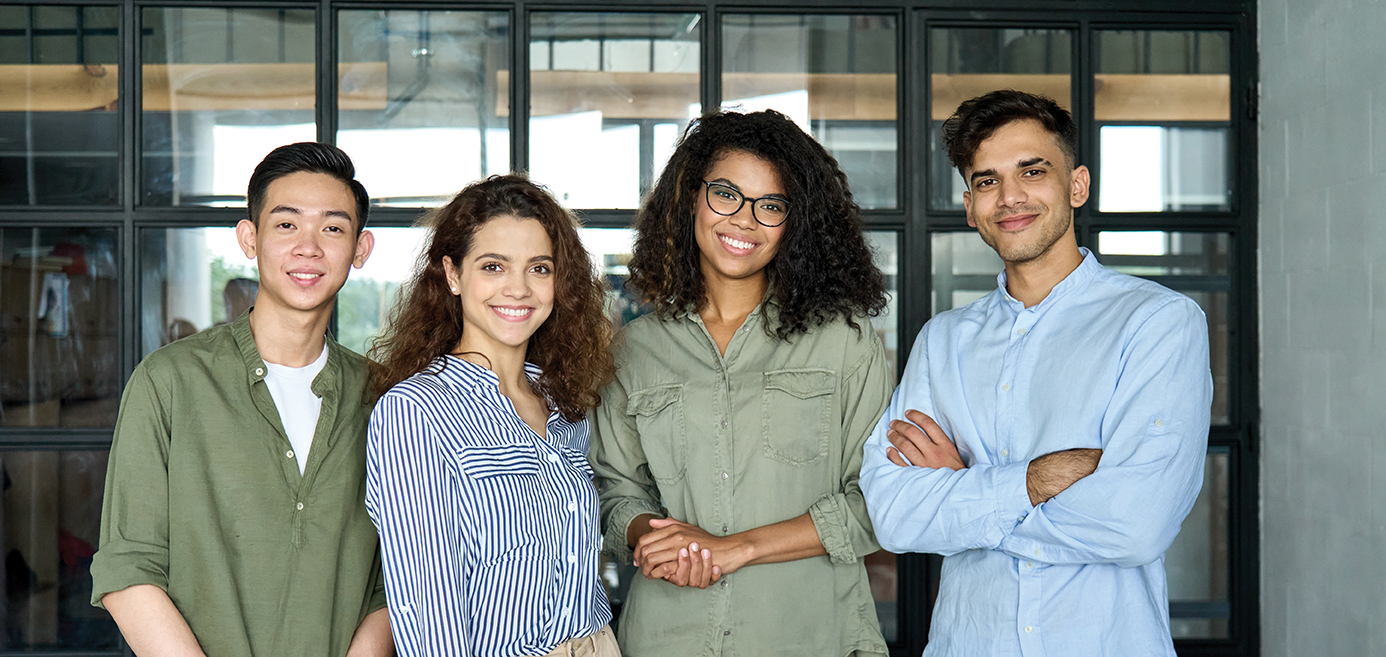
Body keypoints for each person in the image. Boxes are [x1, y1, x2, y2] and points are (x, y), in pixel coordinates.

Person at [859, 90, 1212, 656]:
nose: (1010, 197)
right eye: (986, 181)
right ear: (971, 207)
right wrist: (1036, 479)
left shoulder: (1158, 322)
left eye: (1032, 170)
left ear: (1076, 185)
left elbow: (1135, 525)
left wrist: (962, 492)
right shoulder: (942, 341)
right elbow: (897, 517)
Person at [590, 110, 893, 657]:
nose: (745, 220)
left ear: (795, 223)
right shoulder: (635, 350)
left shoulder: (844, 342)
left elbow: (880, 502)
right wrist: (647, 536)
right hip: (667, 638)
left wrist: (736, 549)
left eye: (771, 205)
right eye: (726, 194)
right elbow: (614, 487)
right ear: (690, 198)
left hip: (811, 634)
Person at [90, 142, 393, 656]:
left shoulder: (386, 399)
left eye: (333, 228)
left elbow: (402, 579)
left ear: (360, 249)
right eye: (287, 224)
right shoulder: (170, 381)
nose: (309, 247)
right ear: (249, 238)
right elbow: (129, 567)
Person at [365, 175, 618, 657]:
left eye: (539, 269)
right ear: (453, 274)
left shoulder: (564, 401)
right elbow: (426, 607)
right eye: (494, 266)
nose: (518, 289)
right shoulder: (416, 412)